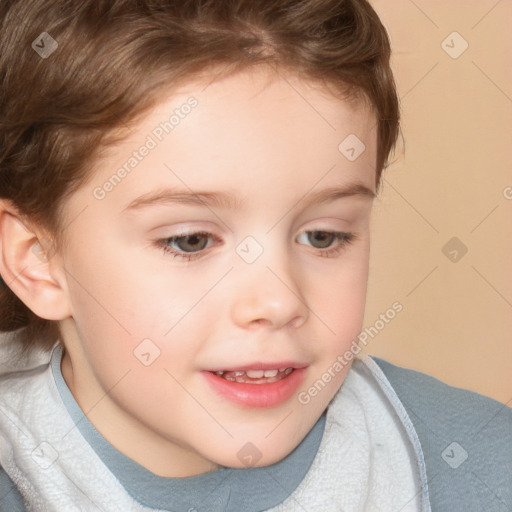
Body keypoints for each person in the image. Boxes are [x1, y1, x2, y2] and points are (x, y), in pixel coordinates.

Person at [0, 1, 510, 511]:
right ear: (37, 259)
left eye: (323, 236)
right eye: (191, 241)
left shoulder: (476, 463)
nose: (278, 301)